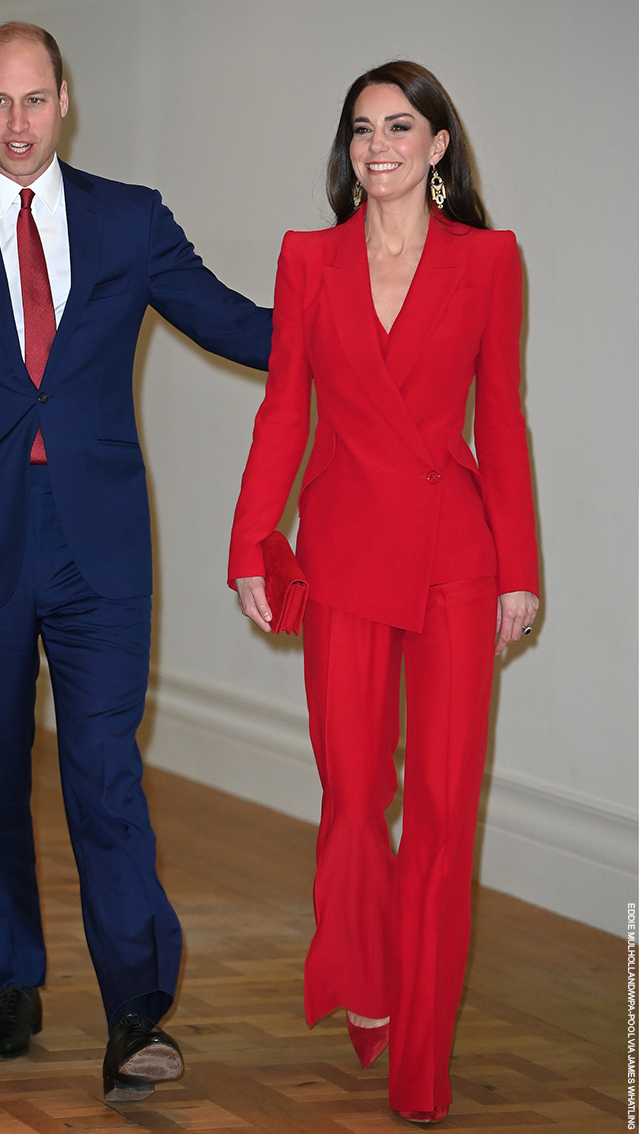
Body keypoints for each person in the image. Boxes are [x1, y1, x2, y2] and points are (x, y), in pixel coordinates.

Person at [0, 22, 271, 1103]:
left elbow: (230, 321)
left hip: (97, 542)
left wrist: (362, 310)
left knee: (103, 768)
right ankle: (12, 981)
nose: (19, 124)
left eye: (36, 100)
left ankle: (137, 1008)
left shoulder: (128, 220)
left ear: (66, 99)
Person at [230, 61, 538, 1125]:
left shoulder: (489, 261)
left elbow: (499, 422)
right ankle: (361, 976)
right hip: (345, 556)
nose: (378, 146)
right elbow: (283, 413)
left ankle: (420, 1056)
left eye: (400, 127)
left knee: (445, 815)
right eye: (361, 129)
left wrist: (521, 571)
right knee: (357, 800)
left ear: (439, 145)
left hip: (457, 558)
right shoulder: (308, 259)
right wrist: (249, 541)